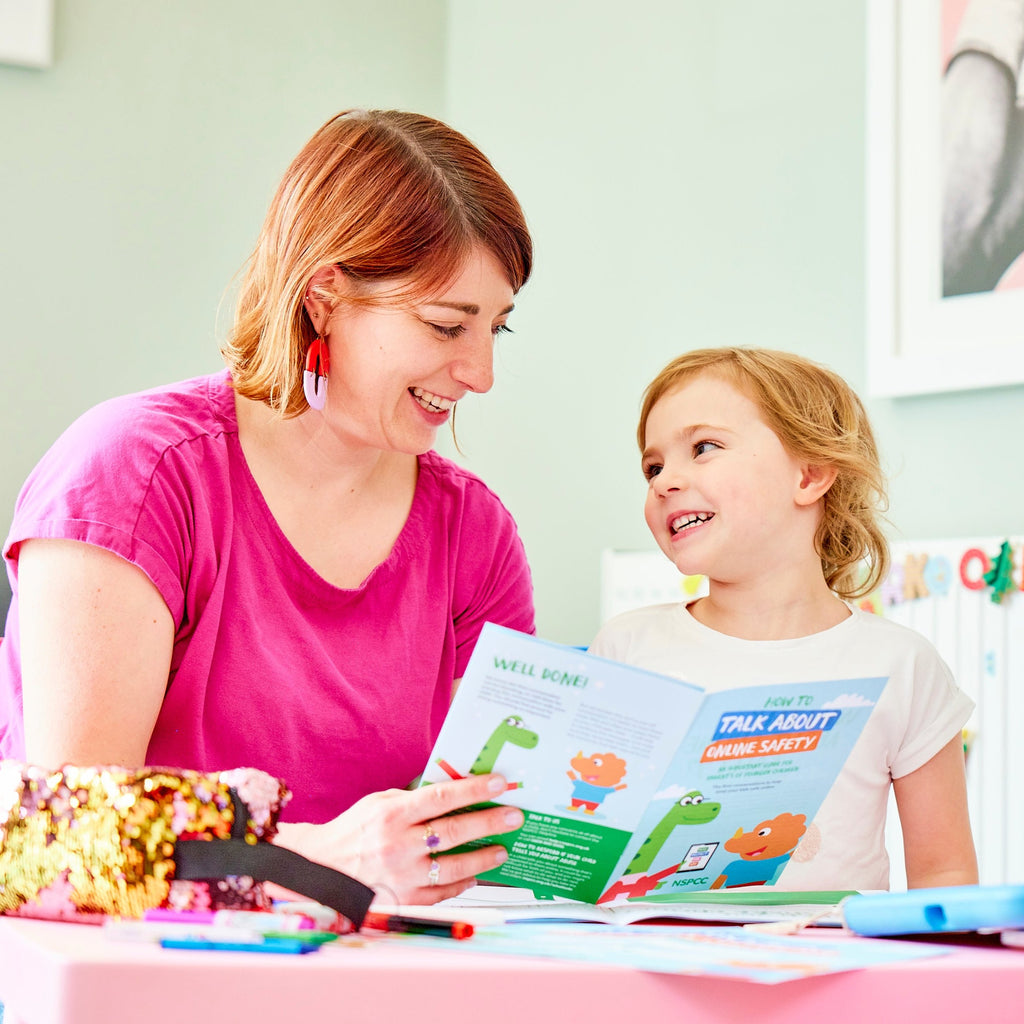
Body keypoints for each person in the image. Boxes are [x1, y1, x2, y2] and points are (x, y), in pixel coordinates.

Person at [0, 108, 536, 905]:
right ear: (326, 295)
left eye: (498, 326)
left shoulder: (476, 535)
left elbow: (487, 821)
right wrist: (324, 856)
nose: (481, 373)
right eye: (446, 324)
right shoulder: (135, 476)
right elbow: (63, 838)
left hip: (386, 974)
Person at [589, 347, 978, 891]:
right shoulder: (628, 648)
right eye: (653, 467)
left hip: (839, 970)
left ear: (811, 474)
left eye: (703, 448)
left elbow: (946, 872)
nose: (663, 481)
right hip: (657, 961)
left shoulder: (902, 665)